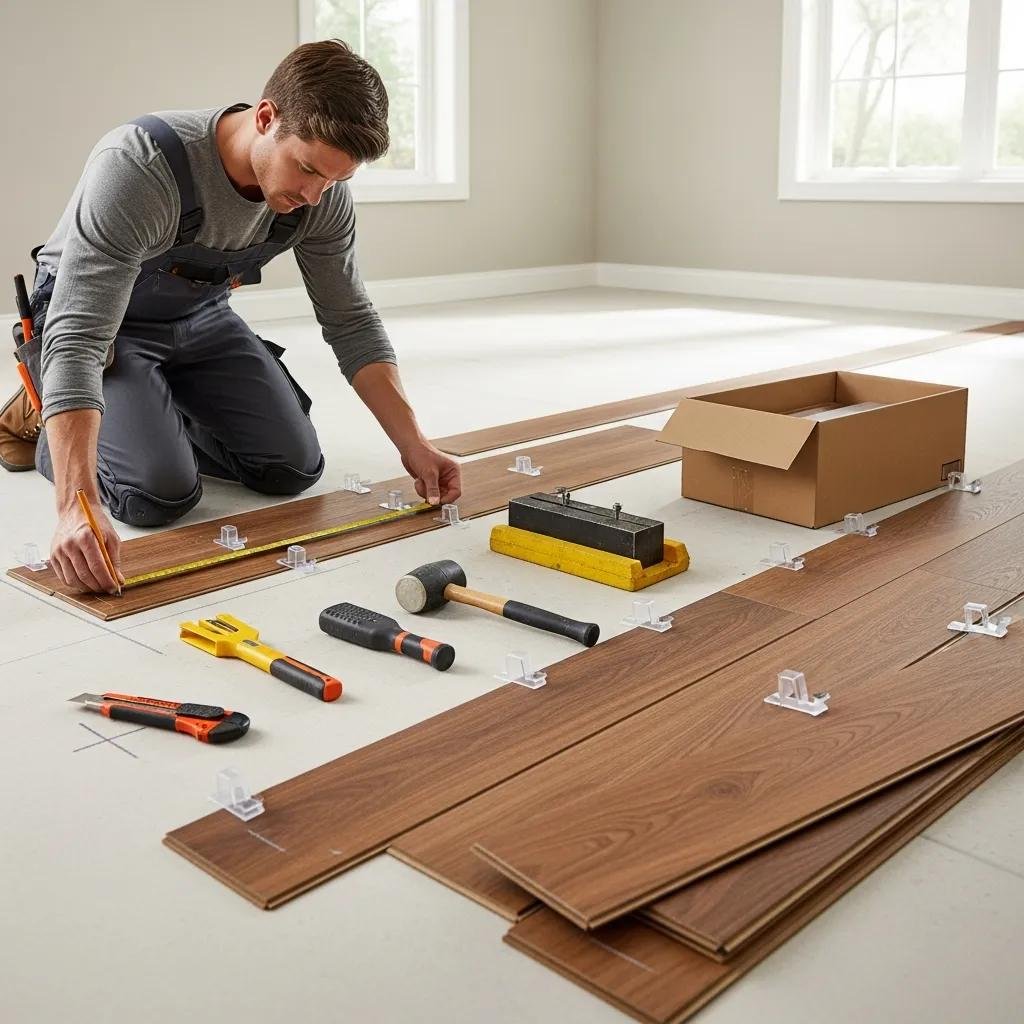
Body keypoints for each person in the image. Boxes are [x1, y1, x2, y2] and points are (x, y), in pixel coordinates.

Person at [0, 39, 461, 595]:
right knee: (158, 495)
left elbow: (350, 318)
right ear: (266, 117)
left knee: (292, 469)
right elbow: (79, 336)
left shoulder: (321, 195)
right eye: (308, 169)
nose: (315, 196)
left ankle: (144, 401)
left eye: (335, 181)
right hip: (103, 327)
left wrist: (412, 442)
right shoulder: (141, 169)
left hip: (199, 317)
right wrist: (77, 505)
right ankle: (40, 409)